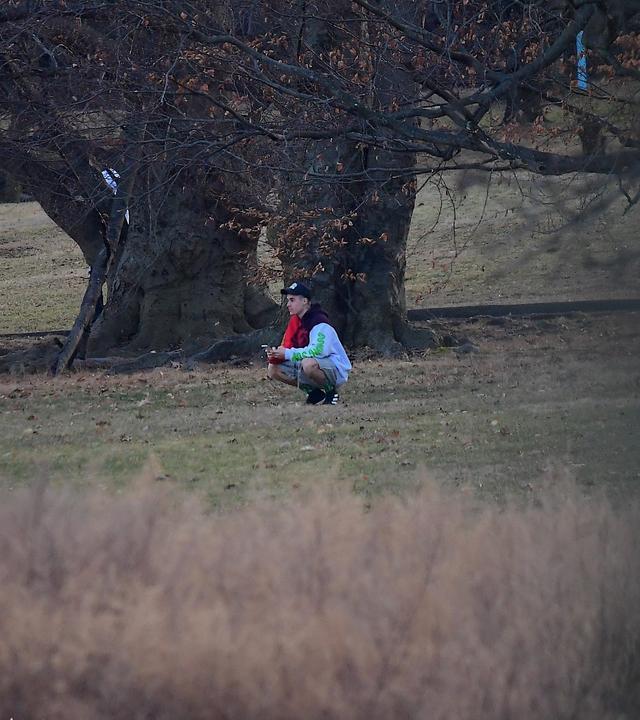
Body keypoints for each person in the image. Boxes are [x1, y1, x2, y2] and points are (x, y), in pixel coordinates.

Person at [267, 281, 351, 405]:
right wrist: (277, 354)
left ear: (305, 301)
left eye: (292, 300)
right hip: (310, 364)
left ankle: (331, 392)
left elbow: (318, 351)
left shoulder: (319, 323)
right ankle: (314, 393)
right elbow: (287, 346)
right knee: (273, 369)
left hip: (334, 368)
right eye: (288, 301)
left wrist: (287, 354)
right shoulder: (295, 322)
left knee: (308, 364)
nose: (288, 305)